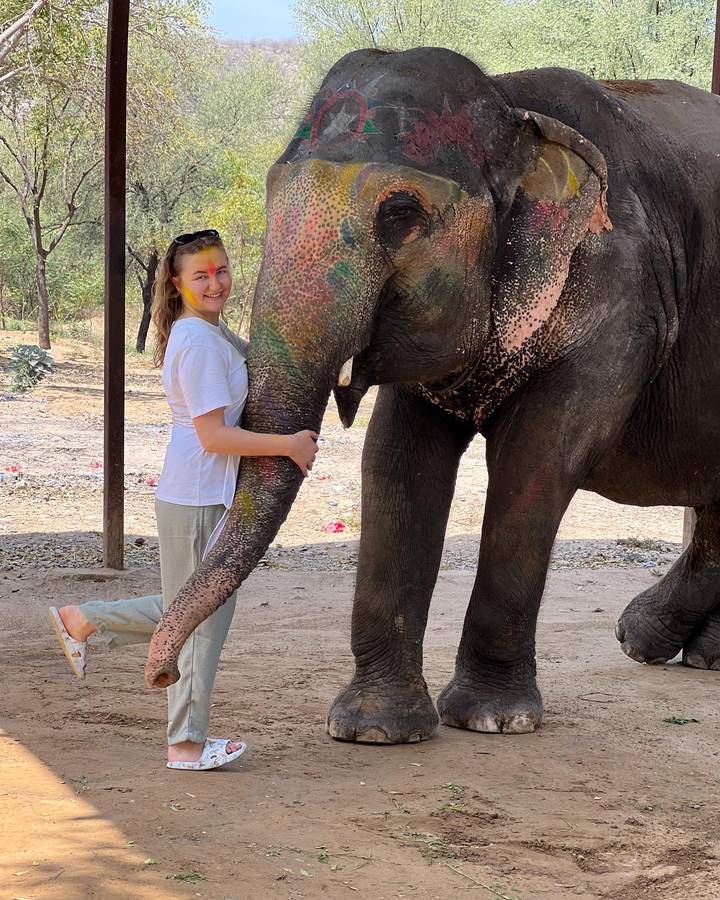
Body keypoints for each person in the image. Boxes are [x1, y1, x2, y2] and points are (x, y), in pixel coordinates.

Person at [48, 229, 318, 771]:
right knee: (199, 617)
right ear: (178, 282)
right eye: (200, 275)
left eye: (220, 270)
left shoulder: (213, 334)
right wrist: (288, 446)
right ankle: (185, 744)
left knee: (194, 608)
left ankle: (82, 620)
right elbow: (214, 436)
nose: (214, 282)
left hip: (204, 493)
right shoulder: (196, 344)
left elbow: (263, 361)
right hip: (195, 495)